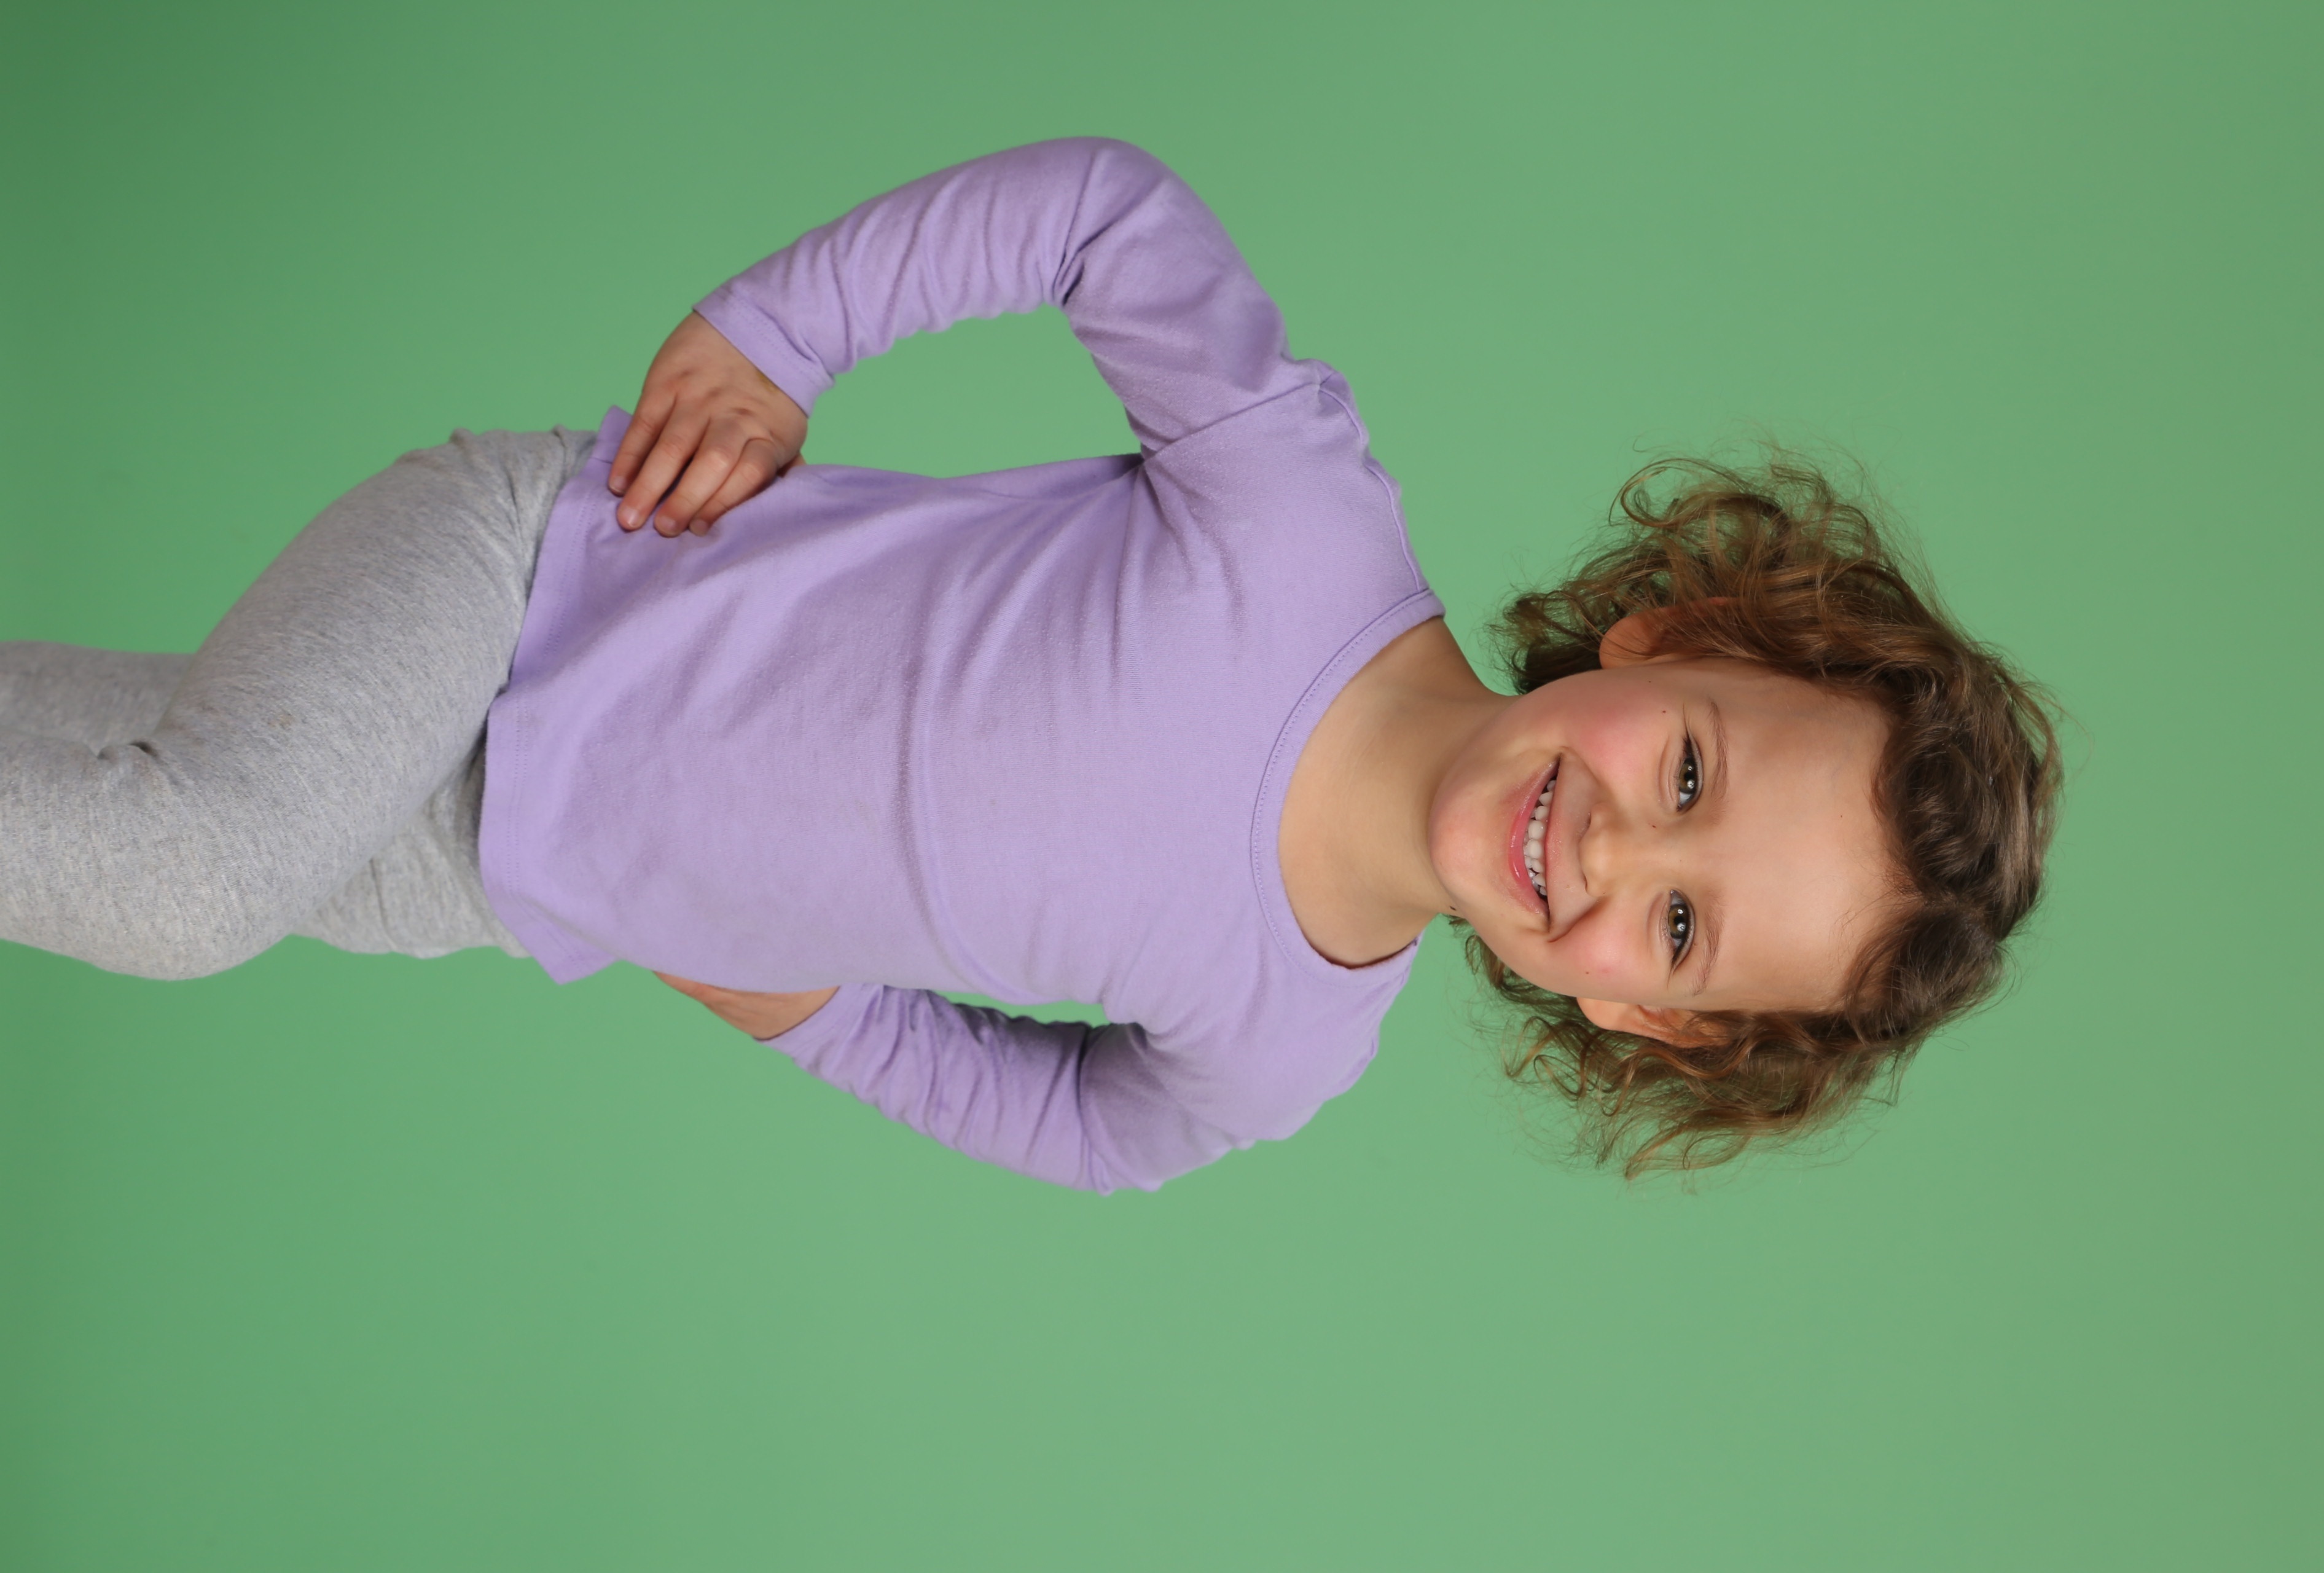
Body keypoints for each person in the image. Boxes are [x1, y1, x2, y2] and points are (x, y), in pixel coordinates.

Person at [0, 139, 2057, 1190]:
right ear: (1674, 638)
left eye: (1682, 926)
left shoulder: (1280, 1051)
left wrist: (803, 1006)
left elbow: (1084, 1133)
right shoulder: (1301, 524)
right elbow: (1104, 215)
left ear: (1647, 1018)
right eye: (1689, 771)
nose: (1614, 852)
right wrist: (784, 334)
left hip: (506, 870)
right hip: (534, 572)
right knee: (187, 878)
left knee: (90, 807)